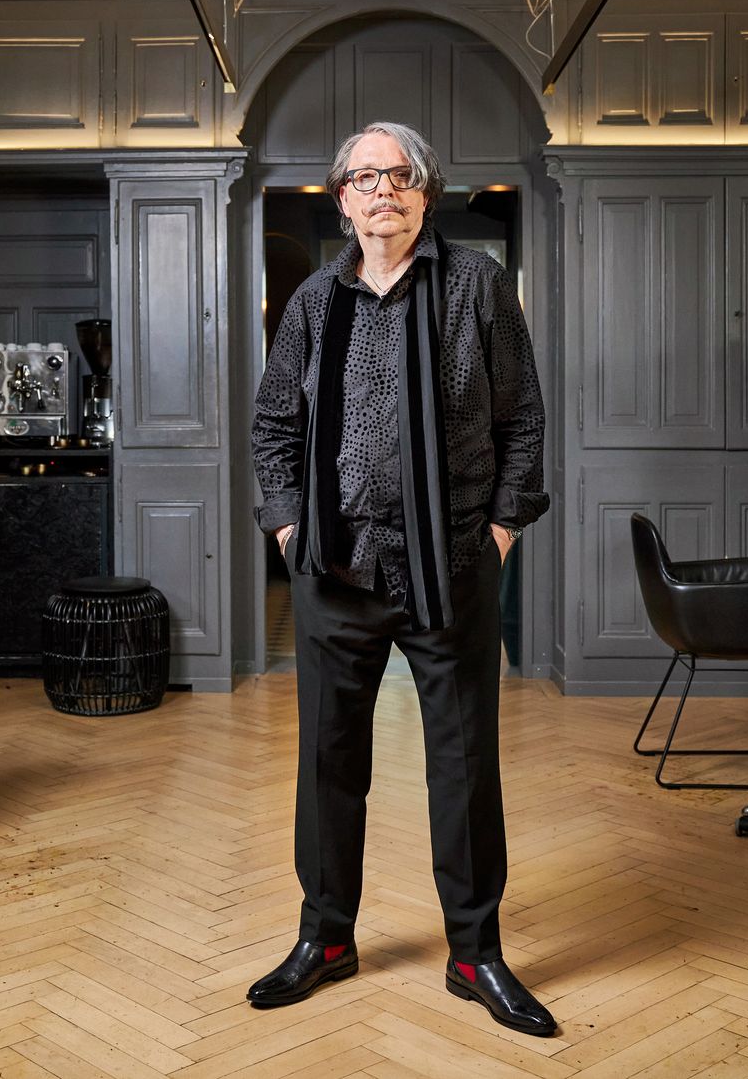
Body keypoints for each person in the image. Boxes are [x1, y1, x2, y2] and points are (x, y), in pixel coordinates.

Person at [248, 122, 553, 1036]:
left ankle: (475, 953)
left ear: (426, 193)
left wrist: (500, 531)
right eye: (365, 177)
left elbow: (523, 418)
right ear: (342, 197)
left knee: (464, 767)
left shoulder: (477, 286)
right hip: (336, 567)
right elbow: (273, 424)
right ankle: (325, 938)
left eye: (401, 175)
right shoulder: (313, 302)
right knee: (328, 762)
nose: (384, 190)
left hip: (450, 565)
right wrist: (289, 528)